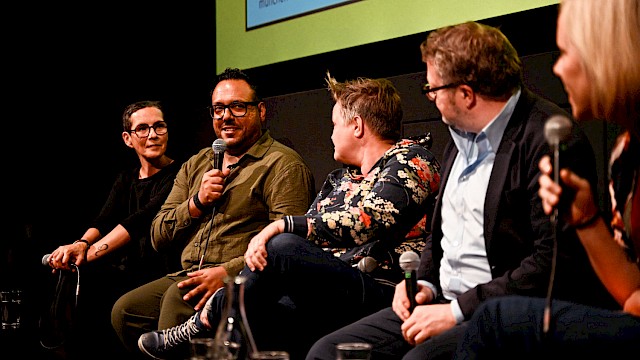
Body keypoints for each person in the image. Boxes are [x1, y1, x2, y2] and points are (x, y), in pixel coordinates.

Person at [306, 20, 620, 360]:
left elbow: (549, 264)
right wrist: (423, 285)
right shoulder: (458, 139)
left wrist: (455, 312)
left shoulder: (549, 140)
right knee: (326, 352)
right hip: (441, 302)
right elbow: (439, 235)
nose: (430, 98)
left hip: (503, 313)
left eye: (433, 89)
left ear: (466, 94)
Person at [136, 72, 442, 360]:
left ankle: (202, 322)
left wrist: (285, 225)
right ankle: (212, 319)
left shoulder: (411, 160)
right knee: (261, 311)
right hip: (330, 287)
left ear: (358, 127)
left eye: (335, 124)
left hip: (381, 288)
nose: (331, 133)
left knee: (282, 244)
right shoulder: (340, 179)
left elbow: (373, 217)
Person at [453, 1, 640, 358]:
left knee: (494, 321)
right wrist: (586, 220)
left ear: (607, 55)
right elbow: (630, 289)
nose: (556, 67)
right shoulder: (626, 152)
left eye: (567, 52)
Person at [111, 67, 316, 355]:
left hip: (245, 277)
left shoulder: (282, 164)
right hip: (190, 271)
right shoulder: (198, 162)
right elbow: (158, 235)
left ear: (260, 111)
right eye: (218, 109)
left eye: (237, 107)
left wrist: (226, 272)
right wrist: (197, 202)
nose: (226, 116)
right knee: (125, 311)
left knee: (176, 299)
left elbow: (287, 247)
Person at [42, 100, 181, 358]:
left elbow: (139, 222)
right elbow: (103, 220)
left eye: (159, 126)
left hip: (159, 270)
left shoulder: (179, 174)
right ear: (128, 139)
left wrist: (82, 257)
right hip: (125, 270)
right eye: (142, 128)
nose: (152, 135)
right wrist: (79, 245)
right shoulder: (126, 178)